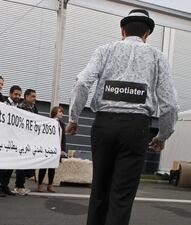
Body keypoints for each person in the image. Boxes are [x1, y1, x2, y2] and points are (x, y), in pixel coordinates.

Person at [65, 9, 177, 225]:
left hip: (104, 124)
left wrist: (74, 118)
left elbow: (81, 83)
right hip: (136, 128)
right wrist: (163, 135)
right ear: (147, 34)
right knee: (122, 196)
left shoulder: (104, 50)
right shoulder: (157, 56)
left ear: (122, 30)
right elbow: (169, 103)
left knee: (99, 190)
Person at [0, 85, 23, 196]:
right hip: (3, 139)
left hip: (13, 140)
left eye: (19, 95)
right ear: (10, 94)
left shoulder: (18, 107)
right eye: (16, 94)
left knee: (10, 166)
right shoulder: (4, 103)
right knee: (1, 166)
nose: (18, 96)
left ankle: (4, 186)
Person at [37, 106, 66, 192]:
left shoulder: (62, 124)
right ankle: (40, 184)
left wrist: (63, 149)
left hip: (57, 149)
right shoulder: (48, 121)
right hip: (48, 148)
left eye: (62, 112)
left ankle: (50, 185)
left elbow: (63, 138)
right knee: (43, 167)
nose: (62, 114)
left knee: (52, 168)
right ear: (55, 112)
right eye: (60, 112)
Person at [15, 89, 38, 196]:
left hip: (29, 140)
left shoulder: (34, 108)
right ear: (26, 97)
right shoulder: (20, 107)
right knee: (20, 164)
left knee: (25, 164)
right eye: (33, 96)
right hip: (20, 139)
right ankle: (19, 186)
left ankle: (21, 185)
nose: (35, 99)